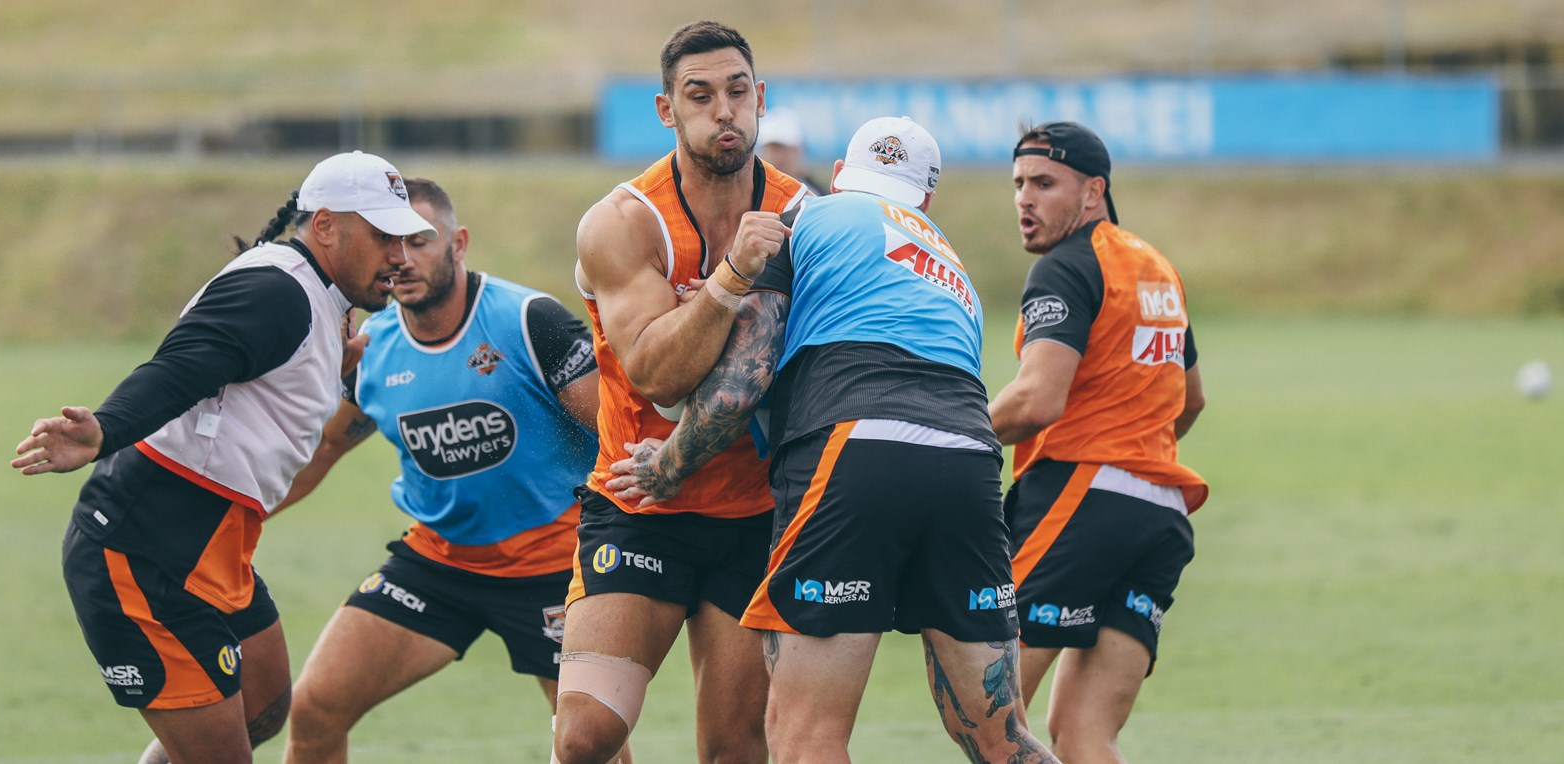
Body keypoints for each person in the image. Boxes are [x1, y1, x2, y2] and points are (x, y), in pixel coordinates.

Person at [606, 116, 1059, 764]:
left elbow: (745, 376)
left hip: (857, 452)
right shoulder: (951, 266)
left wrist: (669, 463)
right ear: (924, 198)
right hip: (969, 466)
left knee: (804, 738)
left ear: (842, 174)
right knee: (1001, 739)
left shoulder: (805, 219)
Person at [11, 150, 433, 764]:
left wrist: (324, 369)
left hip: (211, 543)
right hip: (147, 550)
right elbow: (182, 367)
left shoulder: (317, 299)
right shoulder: (277, 291)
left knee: (264, 704)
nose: (399, 255)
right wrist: (104, 428)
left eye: (403, 237)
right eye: (381, 236)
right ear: (324, 228)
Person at [268, 178, 623, 763]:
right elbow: (324, 450)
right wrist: (235, 516)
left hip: (556, 566)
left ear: (458, 243)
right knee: (315, 708)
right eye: (388, 241)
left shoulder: (528, 321)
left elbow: (618, 432)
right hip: (439, 564)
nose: (402, 258)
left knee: (590, 747)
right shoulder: (372, 347)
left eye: (421, 240)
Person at [552, 19, 807, 764]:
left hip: (759, 513)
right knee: (585, 737)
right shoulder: (624, 222)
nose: (722, 111)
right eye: (699, 96)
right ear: (667, 111)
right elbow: (653, 374)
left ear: (758, 98)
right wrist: (731, 276)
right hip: (641, 505)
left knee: (735, 750)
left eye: (736, 92)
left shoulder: (805, 214)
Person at [989, 120, 1208, 763]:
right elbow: (1189, 401)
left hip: (1082, 500)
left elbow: (1036, 400)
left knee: (989, 717)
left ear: (1093, 191)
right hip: (1161, 512)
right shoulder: (1155, 267)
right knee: (1084, 735)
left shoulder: (1066, 267)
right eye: (1019, 184)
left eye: (1044, 183)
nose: (1025, 199)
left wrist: (951, 436)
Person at [757, 109, 827, 196]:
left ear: (799, 150)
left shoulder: (819, 195)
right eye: (773, 150)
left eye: (784, 149)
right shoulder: (750, 195)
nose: (778, 158)